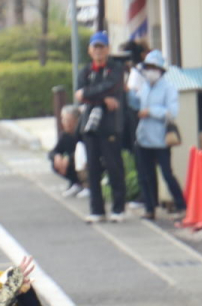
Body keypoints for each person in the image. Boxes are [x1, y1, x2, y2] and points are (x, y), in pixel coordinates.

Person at [76, 32, 128, 223]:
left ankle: (118, 208)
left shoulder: (116, 68)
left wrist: (90, 95)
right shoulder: (85, 71)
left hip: (110, 125)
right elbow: (79, 94)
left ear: (107, 49)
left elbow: (111, 88)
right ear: (90, 50)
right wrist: (102, 99)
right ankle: (96, 210)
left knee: (114, 167)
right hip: (90, 125)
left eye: (101, 47)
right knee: (93, 169)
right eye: (95, 47)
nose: (98, 51)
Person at [130, 50, 187, 220]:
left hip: (161, 138)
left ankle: (181, 205)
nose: (150, 71)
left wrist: (151, 112)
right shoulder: (144, 87)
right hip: (143, 137)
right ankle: (149, 208)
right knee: (145, 175)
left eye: (153, 67)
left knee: (167, 174)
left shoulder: (169, 88)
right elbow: (136, 104)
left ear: (161, 70)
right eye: (147, 67)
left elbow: (172, 112)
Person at [50, 105, 85, 197]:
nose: (66, 123)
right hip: (72, 164)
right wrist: (57, 157)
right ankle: (75, 183)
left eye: (69, 120)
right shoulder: (64, 135)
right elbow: (53, 151)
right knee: (55, 163)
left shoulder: (83, 134)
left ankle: (86, 185)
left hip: (85, 162)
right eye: (64, 120)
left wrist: (68, 158)